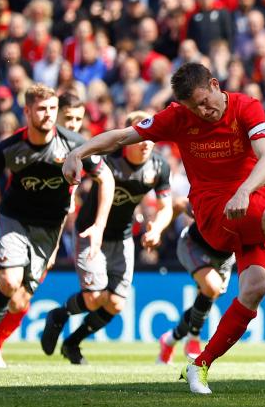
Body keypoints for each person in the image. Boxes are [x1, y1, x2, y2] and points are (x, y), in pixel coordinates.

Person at [61, 63, 265, 394]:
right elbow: (124, 136)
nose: (202, 111)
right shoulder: (177, 117)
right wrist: (79, 151)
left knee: (255, 289)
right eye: (193, 107)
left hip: (249, 204)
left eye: (204, 101)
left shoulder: (246, 107)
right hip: (214, 211)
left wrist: (244, 189)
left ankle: (199, 366)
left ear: (214, 85)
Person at [0, 84, 114, 371]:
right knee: (10, 282)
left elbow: (106, 178)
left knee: (18, 301)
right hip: (14, 220)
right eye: (41, 109)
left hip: (49, 230)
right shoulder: (9, 148)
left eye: (53, 109)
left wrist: (99, 225)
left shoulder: (74, 145)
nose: (48, 115)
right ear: (27, 111)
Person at [40, 112, 174, 365]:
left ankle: (72, 343)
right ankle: (59, 315)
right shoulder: (108, 160)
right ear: (127, 139)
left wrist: (157, 228)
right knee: (93, 298)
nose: (146, 143)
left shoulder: (159, 166)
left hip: (122, 236)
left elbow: (166, 206)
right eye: (141, 137)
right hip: (91, 231)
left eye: (151, 138)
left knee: (115, 303)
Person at [157, 224, 265, 364]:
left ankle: (169, 340)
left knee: (204, 301)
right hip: (194, 245)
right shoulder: (223, 206)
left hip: (225, 257)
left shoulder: (261, 222)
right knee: (211, 288)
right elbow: (183, 205)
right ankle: (193, 338)